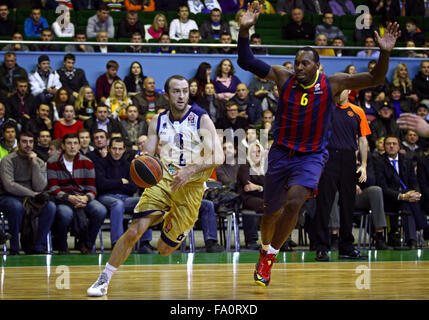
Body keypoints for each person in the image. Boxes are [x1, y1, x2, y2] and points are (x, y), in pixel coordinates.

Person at [236, 2, 399, 286]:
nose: (298, 67)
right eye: (297, 62)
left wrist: (384, 53)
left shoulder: (333, 83)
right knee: (270, 212)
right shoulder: (282, 77)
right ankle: (265, 248)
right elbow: (246, 61)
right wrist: (244, 30)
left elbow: (375, 77)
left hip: (311, 156)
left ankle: (270, 256)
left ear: (317, 66)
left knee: (296, 200)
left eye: (305, 63)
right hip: (280, 153)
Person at [87, 74, 223, 297]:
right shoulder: (157, 120)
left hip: (191, 188)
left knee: (164, 249)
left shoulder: (201, 118)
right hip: (163, 181)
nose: (181, 95)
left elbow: (218, 156)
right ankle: (104, 279)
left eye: (185, 91)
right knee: (134, 231)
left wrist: (189, 170)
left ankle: (170, 218)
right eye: (176, 91)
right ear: (167, 94)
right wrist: (142, 161)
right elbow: (149, 152)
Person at [313, 89, 371, 261]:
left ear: (349, 91)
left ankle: (346, 246)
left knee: (348, 204)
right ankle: (321, 247)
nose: (340, 91)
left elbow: (362, 139)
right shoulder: (324, 109)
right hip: (328, 157)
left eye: (343, 88)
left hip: (348, 158)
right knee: (324, 203)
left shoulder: (357, 111)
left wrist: (364, 165)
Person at [47, 133, 107, 254]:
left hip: (82, 197)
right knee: (65, 213)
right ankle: (62, 246)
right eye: (69, 143)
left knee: (100, 210)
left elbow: (92, 189)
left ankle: (86, 244)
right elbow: (53, 188)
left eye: (75, 143)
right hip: (63, 198)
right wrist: (68, 197)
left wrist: (85, 198)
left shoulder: (87, 162)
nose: (72, 147)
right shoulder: (52, 162)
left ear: (79, 146)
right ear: (63, 146)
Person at [0, 131, 56, 255]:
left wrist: (34, 164)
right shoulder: (8, 160)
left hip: (32, 197)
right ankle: (14, 247)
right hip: (10, 196)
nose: (28, 145)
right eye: (24, 141)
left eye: (30, 142)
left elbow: (40, 186)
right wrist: (32, 194)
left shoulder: (39, 162)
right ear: (18, 143)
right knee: (16, 207)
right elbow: (9, 185)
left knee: (50, 207)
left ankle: (38, 246)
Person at [93, 137, 152, 250]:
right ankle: (118, 243)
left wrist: (113, 183)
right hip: (106, 197)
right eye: (114, 148)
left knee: (146, 201)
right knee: (118, 204)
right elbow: (101, 185)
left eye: (120, 149)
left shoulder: (128, 165)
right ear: (109, 149)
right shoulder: (100, 163)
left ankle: (145, 242)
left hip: (126, 198)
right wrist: (121, 181)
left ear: (124, 149)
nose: (117, 152)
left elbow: (132, 188)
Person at [375, 135, 429, 249]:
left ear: (399, 147)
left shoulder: (406, 161)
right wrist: (401, 196)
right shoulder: (379, 162)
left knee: (408, 204)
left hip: (407, 198)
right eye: (388, 144)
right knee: (408, 202)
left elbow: (414, 182)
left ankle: (412, 241)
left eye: (394, 144)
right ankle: (424, 229)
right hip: (390, 199)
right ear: (384, 147)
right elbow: (382, 186)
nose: (391, 146)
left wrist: (416, 194)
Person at [236, 141, 266, 250]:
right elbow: (248, 187)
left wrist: (258, 187)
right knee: (267, 205)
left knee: (277, 204)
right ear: (249, 154)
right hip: (246, 198)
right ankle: (255, 241)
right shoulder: (245, 167)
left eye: (259, 151)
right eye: (254, 152)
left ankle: (280, 240)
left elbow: (271, 187)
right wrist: (262, 187)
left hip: (264, 197)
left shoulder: (265, 168)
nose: (257, 154)